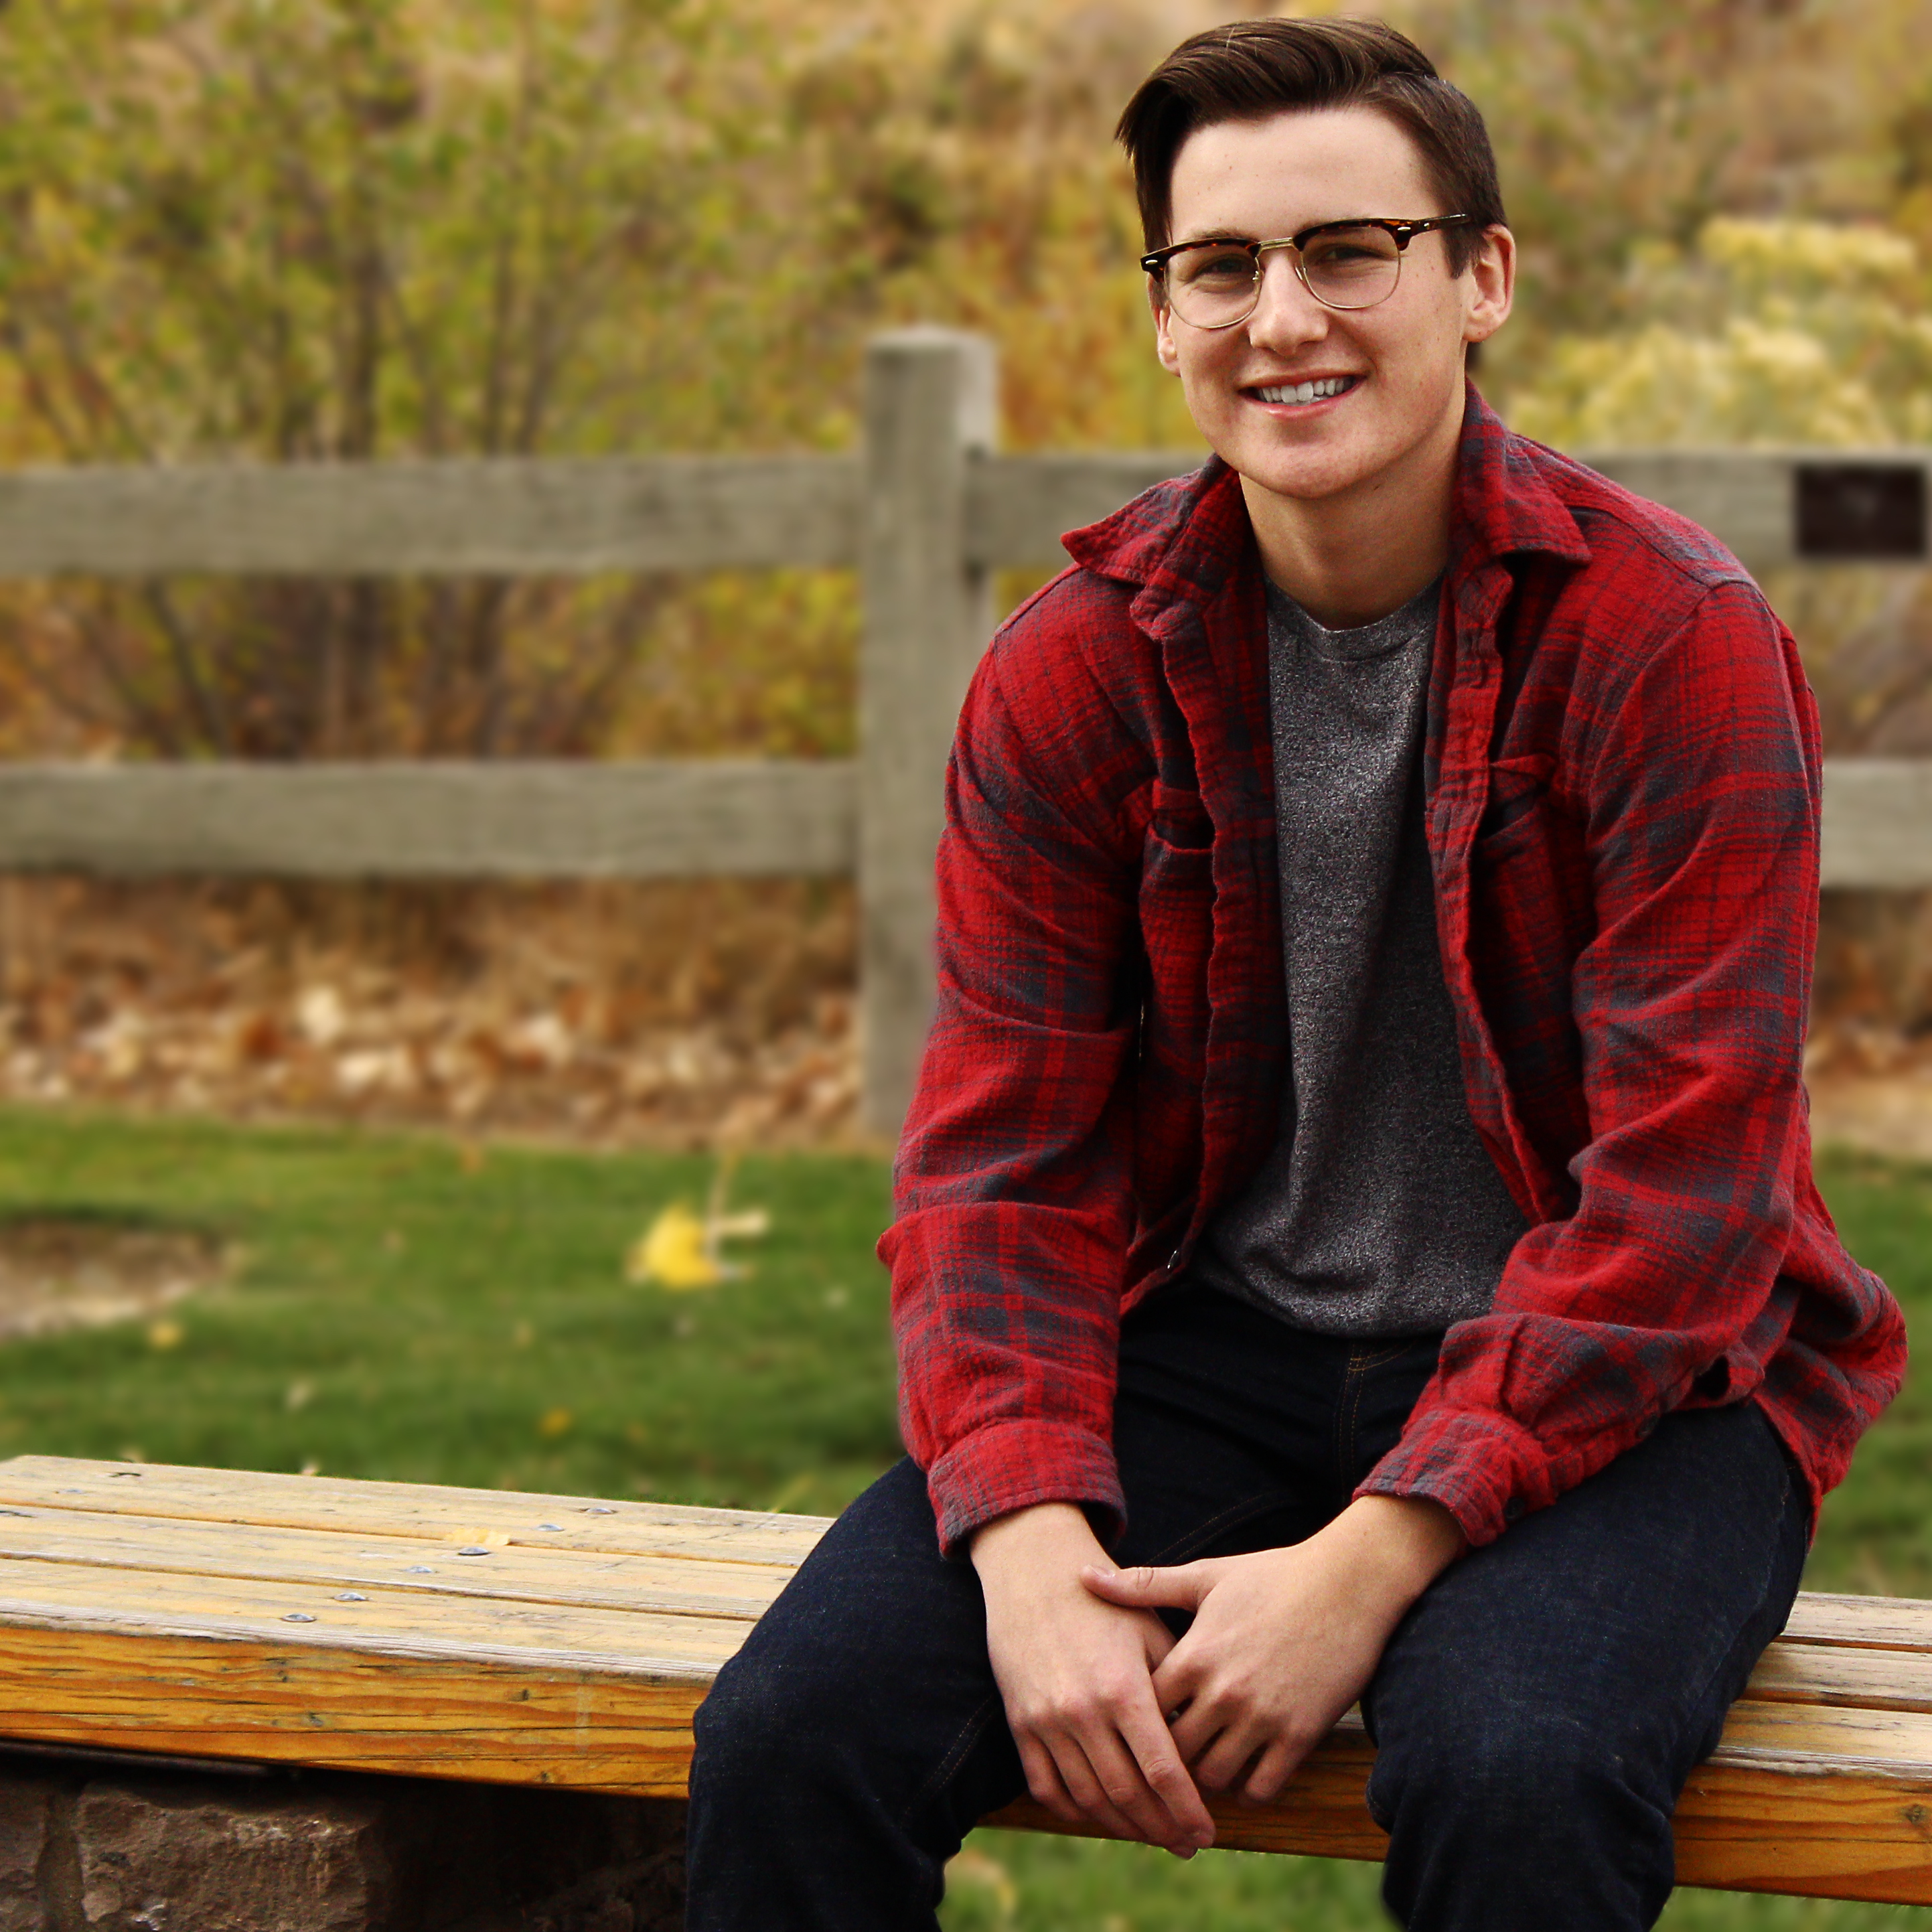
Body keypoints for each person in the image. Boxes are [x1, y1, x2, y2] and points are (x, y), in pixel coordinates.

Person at [685, 17, 1907, 1931]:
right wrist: (1022, 1541)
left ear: (1480, 277)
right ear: (1166, 317)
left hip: (1646, 1384)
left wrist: (1367, 1560)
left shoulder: (1672, 642)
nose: (1284, 319)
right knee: (795, 1733)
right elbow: (997, 1169)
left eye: (1352, 251)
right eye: (1221, 268)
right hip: (1221, 1349)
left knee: (1514, 1764)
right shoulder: (1074, 671)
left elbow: (1690, 1202)